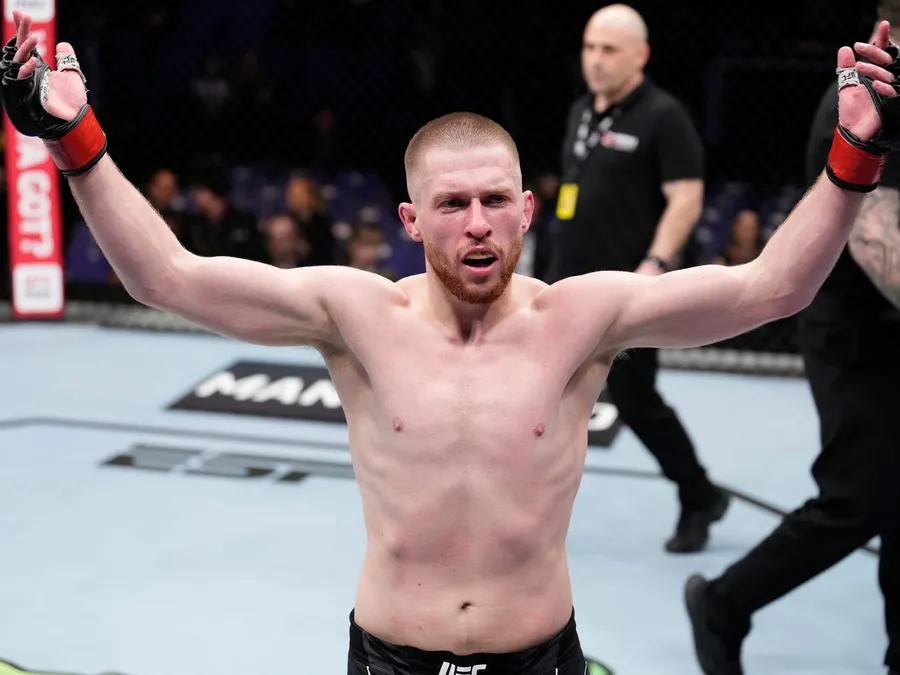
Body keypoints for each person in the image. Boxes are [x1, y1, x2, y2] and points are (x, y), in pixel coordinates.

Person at [3, 10, 899, 675]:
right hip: (389, 657)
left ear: (527, 210)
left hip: (541, 656)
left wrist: (857, 156)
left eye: (495, 200)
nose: (477, 223)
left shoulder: (582, 318)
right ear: (411, 220)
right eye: (453, 204)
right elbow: (167, 276)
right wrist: (75, 141)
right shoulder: (354, 314)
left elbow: (771, 288)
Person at [684, 10, 900, 675]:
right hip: (854, 331)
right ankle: (724, 602)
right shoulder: (863, 99)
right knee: (860, 496)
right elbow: (881, 248)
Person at [543, 3, 728, 553]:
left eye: (609, 50)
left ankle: (699, 494)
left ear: (640, 55)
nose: (595, 60)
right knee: (539, 390)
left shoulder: (664, 117)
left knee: (636, 399)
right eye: (589, 48)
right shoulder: (581, 110)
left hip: (627, 293)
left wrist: (655, 266)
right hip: (566, 284)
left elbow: (686, 198)